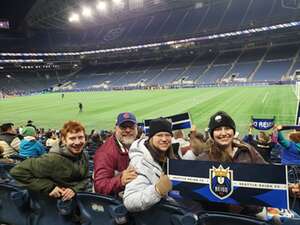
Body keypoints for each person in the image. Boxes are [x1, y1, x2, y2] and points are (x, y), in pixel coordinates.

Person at [189, 111, 266, 215]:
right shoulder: (203, 159)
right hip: (218, 219)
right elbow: (191, 194)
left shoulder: (247, 150)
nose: (223, 133)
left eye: (227, 128)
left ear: (233, 131)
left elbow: (266, 175)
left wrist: (289, 187)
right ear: (212, 134)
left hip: (249, 216)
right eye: (218, 129)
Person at [10, 120, 89, 201]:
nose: (77, 142)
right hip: (57, 205)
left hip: (77, 200)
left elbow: (86, 179)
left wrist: (74, 189)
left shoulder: (84, 155)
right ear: (64, 140)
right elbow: (17, 171)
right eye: (72, 138)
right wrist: (50, 187)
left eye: (80, 137)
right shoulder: (51, 159)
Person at [124, 118, 175, 212]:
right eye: (159, 135)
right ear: (151, 138)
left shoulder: (171, 156)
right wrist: (157, 191)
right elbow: (129, 201)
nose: (164, 139)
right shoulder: (140, 162)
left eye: (167, 135)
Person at [94, 112, 138, 196]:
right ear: (116, 128)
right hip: (117, 203)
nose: (128, 130)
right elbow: (99, 187)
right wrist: (120, 180)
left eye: (131, 127)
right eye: (123, 127)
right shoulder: (105, 153)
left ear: (136, 128)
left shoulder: (137, 143)